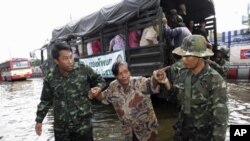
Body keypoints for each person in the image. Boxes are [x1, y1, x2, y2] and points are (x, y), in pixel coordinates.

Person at [155, 35, 228, 141]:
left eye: (187, 56)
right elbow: (177, 98)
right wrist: (166, 82)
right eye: (182, 56)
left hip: (202, 136)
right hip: (182, 133)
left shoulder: (215, 81)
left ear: (199, 56)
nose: (183, 60)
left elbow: (220, 122)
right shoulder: (184, 74)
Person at [35, 42, 106, 141]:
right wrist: (39, 120)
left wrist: (98, 88)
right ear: (56, 61)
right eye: (65, 59)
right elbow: (45, 100)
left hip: (83, 126)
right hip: (62, 129)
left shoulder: (83, 69)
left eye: (71, 57)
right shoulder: (50, 77)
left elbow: (100, 80)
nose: (70, 61)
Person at [89, 61, 165, 141]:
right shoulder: (113, 86)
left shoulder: (139, 82)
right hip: (129, 132)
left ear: (129, 72)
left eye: (126, 72)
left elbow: (151, 84)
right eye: (120, 74)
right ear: (115, 76)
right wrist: (96, 93)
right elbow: (103, 97)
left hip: (147, 130)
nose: (124, 76)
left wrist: (156, 78)